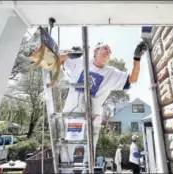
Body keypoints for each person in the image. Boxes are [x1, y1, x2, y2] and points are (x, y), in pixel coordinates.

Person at [58, 41, 147, 172]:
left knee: (89, 151)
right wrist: (70, 54)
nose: (108, 51)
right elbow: (58, 60)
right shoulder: (80, 62)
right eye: (105, 48)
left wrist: (136, 58)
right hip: (74, 115)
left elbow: (132, 79)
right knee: (68, 149)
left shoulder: (111, 73)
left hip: (93, 117)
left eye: (110, 51)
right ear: (95, 51)